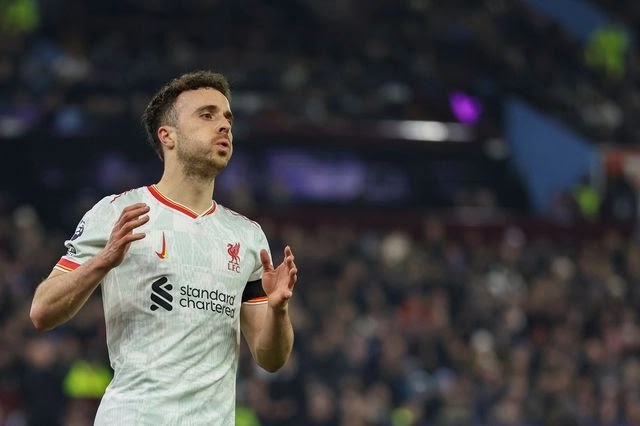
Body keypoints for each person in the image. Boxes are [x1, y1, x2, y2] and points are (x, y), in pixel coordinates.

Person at [29, 70, 298, 425]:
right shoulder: (117, 212)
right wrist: (103, 261)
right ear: (167, 135)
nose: (224, 125)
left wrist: (278, 311)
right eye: (207, 115)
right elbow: (42, 311)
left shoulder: (247, 237)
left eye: (227, 118)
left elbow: (271, 359)